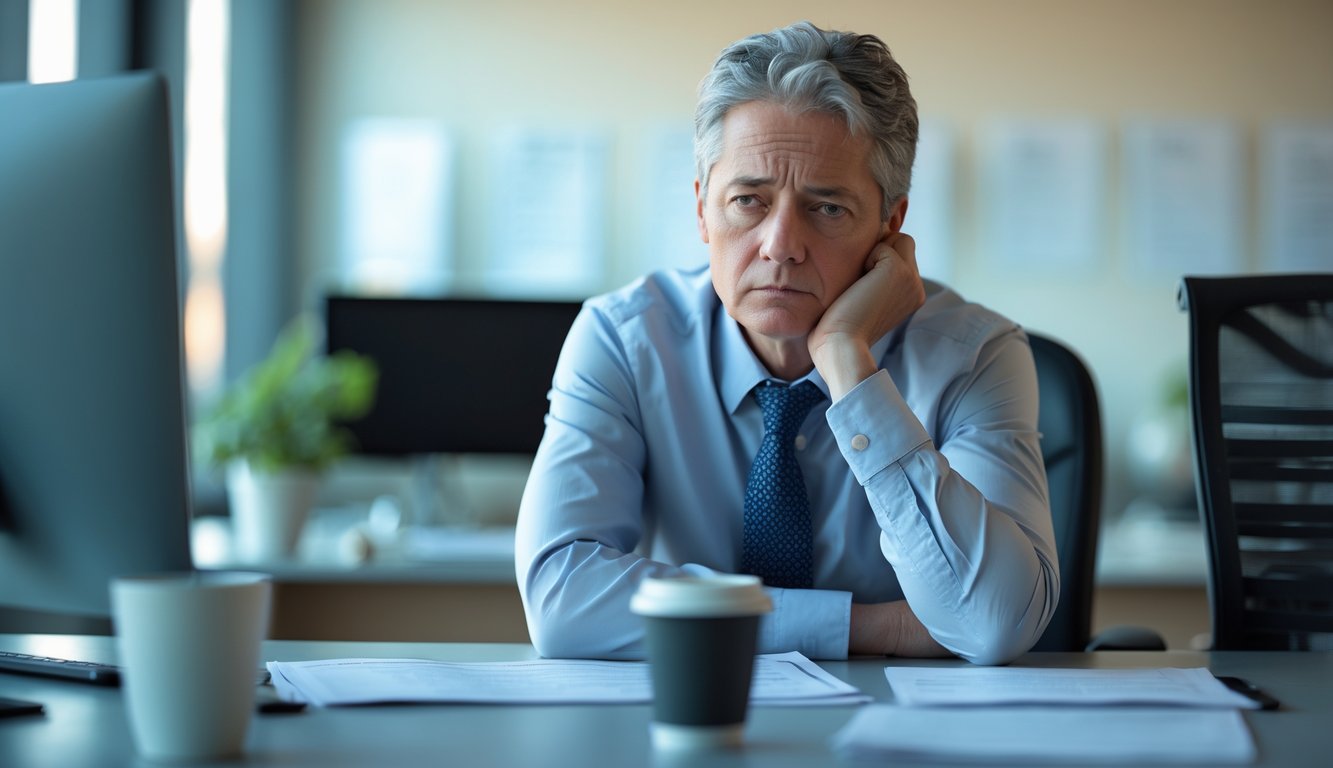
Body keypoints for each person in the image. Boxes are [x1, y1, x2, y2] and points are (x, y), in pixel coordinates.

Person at [515, 21, 1057, 665]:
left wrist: (847, 362)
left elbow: (993, 621)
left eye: (826, 208)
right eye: (748, 200)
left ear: (891, 225)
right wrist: (865, 627)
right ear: (701, 210)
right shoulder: (624, 341)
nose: (780, 245)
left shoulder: (975, 356)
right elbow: (560, 603)